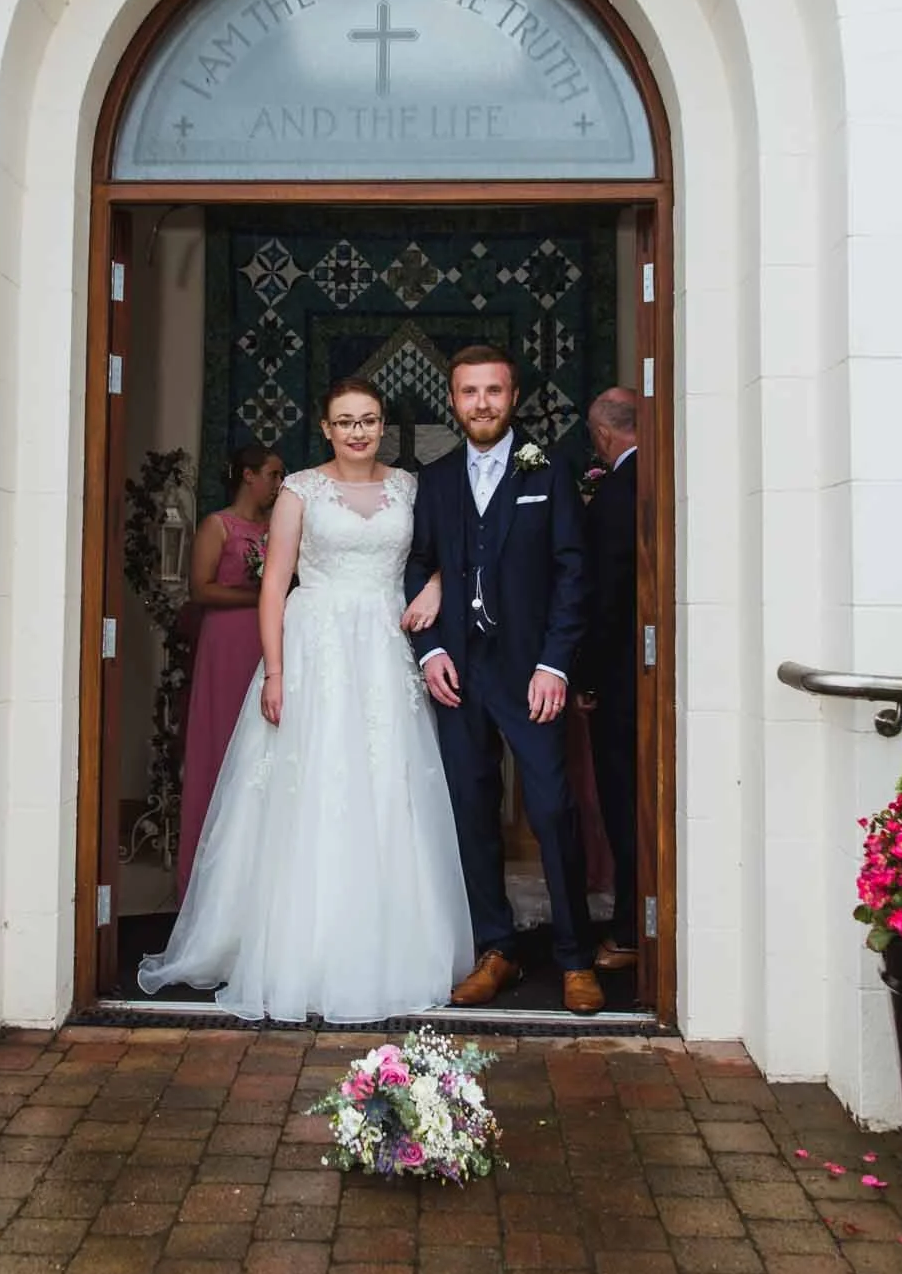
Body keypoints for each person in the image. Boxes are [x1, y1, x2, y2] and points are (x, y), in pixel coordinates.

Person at [138, 378, 473, 1022]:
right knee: (316, 782)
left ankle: (390, 943)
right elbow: (274, 586)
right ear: (325, 427)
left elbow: (446, 555)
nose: (357, 432)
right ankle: (303, 946)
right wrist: (274, 669)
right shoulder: (299, 491)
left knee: (387, 783)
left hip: (384, 642)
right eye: (345, 421)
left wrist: (432, 586)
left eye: (369, 421)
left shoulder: (409, 487)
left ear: (382, 426)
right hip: (317, 642)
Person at [404, 345, 604, 1016]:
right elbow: (417, 567)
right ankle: (497, 949)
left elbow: (574, 573)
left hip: (529, 671)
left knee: (551, 810)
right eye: (468, 392)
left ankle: (575, 957)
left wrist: (554, 664)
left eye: (493, 391)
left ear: (512, 397)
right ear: (453, 400)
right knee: (470, 809)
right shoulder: (432, 481)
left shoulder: (549, 469)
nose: (481, 403)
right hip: (458, 672)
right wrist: (429, 651)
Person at [175, 442, 285, 899]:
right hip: (226, 642)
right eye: (274, 475)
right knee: (221, 742)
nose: (279, 485)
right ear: (248, 475)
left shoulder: (278, 528)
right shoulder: (217, 525)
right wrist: (258, 598)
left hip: (267, 641)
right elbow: (199, 588)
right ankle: (206, 881)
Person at [579, 388, 640, 972]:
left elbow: (602, 602)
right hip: (662, 673)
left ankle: (628, 931)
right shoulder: (671, 476)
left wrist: (586, 679)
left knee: (624, 801)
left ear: (601, 436)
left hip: (623, 679)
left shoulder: (614, 497)